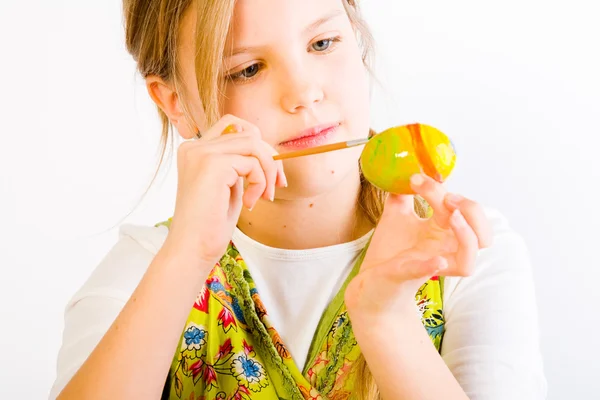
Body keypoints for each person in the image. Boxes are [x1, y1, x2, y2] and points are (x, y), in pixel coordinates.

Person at [50, 0, 547, 399]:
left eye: (323, 42)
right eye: (247, 70)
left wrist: (386, 320)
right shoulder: (146, 270)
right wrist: (186, 258)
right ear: (176, 103)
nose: (304, 92)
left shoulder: (466, 253)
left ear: (356, 37)